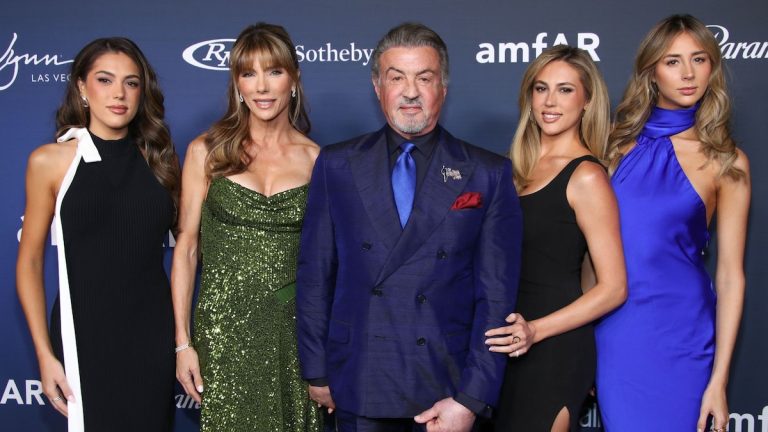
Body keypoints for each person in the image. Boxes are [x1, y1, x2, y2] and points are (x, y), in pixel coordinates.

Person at [297, 22, 523, 432]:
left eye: (424, 77)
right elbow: (315, 274)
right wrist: (317, 371)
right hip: (360, 375)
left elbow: (496, 297)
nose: (411, 91)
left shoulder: (487, 173)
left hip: (447, 385)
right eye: (396, 77)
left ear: (443, 87)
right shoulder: (337, 164)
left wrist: (472, 397)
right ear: (377, 86)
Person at [595, 14, 751, 432]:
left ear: (712, 67)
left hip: (685, 334)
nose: (687, 73)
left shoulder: (727, 160)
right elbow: (587, 253)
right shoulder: (610, 146)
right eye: (672, 61)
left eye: (699, 59)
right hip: (618, 331)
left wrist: (719, 380)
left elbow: (731, 277)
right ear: (651, 72)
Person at [16, 37, 179, 431]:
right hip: (84, 335)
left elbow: (188, 249)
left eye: (131, 82)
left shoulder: (159, 160)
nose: (119, 93)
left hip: (152, 337)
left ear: (143, 92)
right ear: (82, 88)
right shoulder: (51, 161)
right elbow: (31, 262)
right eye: (105, 80)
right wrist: (44, 353)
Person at [171, 23, 322, 432]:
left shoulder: (317, 160)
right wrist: (183, 343)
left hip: (294, 333)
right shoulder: (207, 150)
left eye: (273, 71)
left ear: (293, 79)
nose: (262, 86)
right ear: (237, 83)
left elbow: (330, 262)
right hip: (224, 330)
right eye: (248, 73)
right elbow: (186, 248)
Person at [482, 45, 627, 432]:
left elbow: (613, 288)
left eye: (565, 90)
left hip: (552, 347)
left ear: (586, 101)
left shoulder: (587, 177)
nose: (549, 101)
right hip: (504, 346)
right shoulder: (512, 171)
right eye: (541, 88)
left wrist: (536, 330)